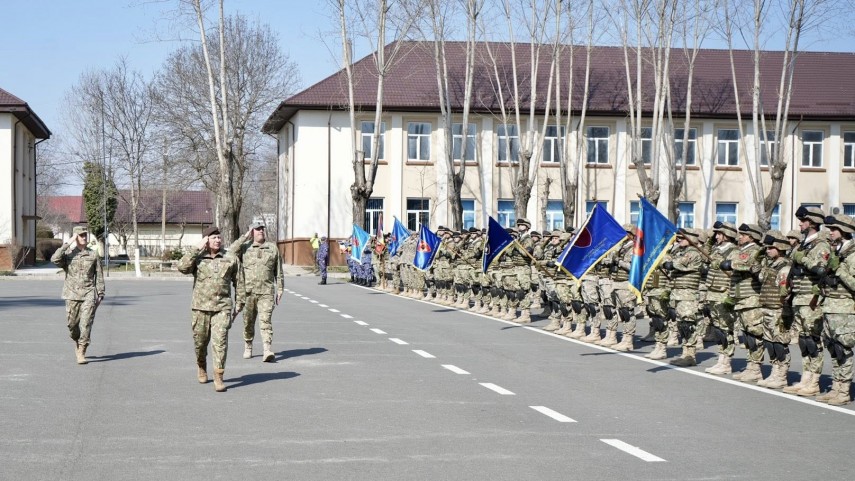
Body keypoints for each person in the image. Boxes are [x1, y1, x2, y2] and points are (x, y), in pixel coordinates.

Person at [177, 226, 245, 392]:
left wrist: (239, 302)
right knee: (200, 343)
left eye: (219, 237)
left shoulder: (230, 258)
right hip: (200, 308)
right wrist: (196, 248)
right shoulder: (198, 258)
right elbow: (182, 267)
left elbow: (239, 281)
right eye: (213, 237)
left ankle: (218, 376)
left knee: (220, 342)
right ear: (206, 240)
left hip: (222, 308)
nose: (217, 240)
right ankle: (201, 365)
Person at [229, 222, 284, 363]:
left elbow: (279, 271)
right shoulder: (245, 248)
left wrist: (280, 289)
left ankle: (267, 349)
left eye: (262, 229)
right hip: (248, 292)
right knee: (248, 322)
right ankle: (248, 345)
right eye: (257, 229)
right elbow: (230, 252)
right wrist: (245, 236)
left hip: (266, 292)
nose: (260, 231)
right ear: (252, 231)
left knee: (265, 321)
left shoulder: (272, 249)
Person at [51, 225, 105, 365]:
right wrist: (69, 242)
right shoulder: (68, 255)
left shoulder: (93, 255)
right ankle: (76, 341)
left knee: (86, 324)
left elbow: (99, 275)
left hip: (88, 294)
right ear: (75, 237)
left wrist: (100, 293)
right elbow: (54, 259)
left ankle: (82, 351)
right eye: (81, 235)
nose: (84, 237)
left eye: (85, 235)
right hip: (71, 294)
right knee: (72, 326)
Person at [815, 214, 855, 405]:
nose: (830, 232)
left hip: (845, 309)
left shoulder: (853, 254)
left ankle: (844, 391)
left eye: (834, 229)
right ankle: (836, 386)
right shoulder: (836, 252)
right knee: (833, 349)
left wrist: (839, 270)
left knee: (843, 349)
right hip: (830, 307)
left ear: (845, 231)